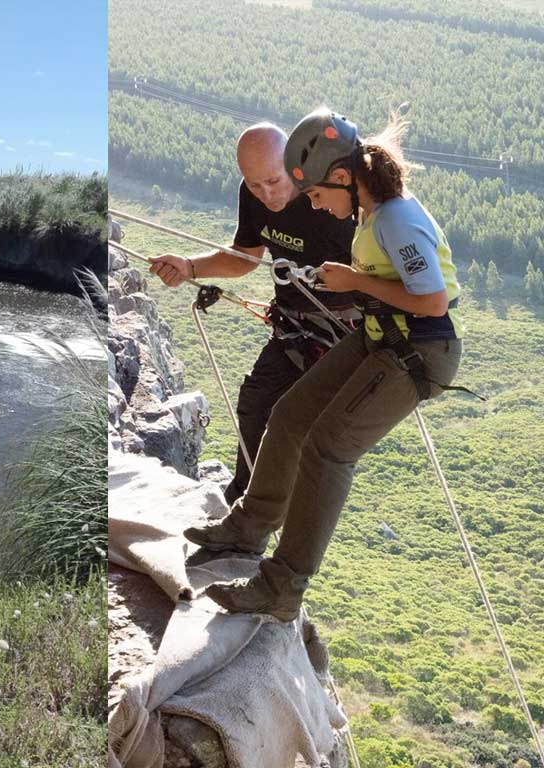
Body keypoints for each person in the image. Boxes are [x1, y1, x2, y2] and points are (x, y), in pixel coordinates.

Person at [188, 108, 465, 621]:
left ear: (342, 178)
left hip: (417, 350)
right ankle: (248, 526)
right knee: (291, 415)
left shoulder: (397, 219)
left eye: (315, 195)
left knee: (328, 449)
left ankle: (281, 589)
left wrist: (356, 283)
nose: (314, 205)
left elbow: (434, 303)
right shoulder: (370, 209)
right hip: (381, 335)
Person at [150, 123, 360, 506]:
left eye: (273, 182)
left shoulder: (334, 204)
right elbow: (245, 255)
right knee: (256, 403)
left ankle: (274, 515)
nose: (266, 194)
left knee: (303, 427)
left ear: (296, 169)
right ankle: (245, 499)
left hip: (346, 334)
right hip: (294, 326)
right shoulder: (253, 193)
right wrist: (189, 266)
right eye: (255, 185)